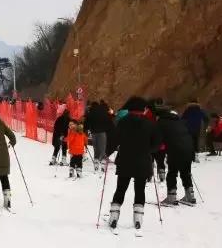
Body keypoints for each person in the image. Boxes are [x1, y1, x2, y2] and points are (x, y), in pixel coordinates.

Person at [108, 97, 162, 231]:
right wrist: (148, 150)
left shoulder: (122, 122)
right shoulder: (150, 124)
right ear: (143, 110)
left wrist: (107, 151)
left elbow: (114, 140)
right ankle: (138, 219)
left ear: (129, 109)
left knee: (120, 189)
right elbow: (157, 144)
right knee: (140, 190)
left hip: (125, 161)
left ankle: (114, 216)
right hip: (143, 162)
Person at [156, 107, 196, 205]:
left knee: (172, 172)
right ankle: (190, 196)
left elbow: (158, 139)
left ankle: (171, 196)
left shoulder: (161, 122)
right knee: (186, 172)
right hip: (189, 149)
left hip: (175, 150)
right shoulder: (181, 121)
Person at [84, 101, 112, 170]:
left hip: (94, 133)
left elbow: (87, 121)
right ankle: (102, 162)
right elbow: (108, 120)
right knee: (102, 148)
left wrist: (85, 129)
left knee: (96, 148)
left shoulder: (91, 112)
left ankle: (96, 161)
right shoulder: (103, 112)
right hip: (102, 132)